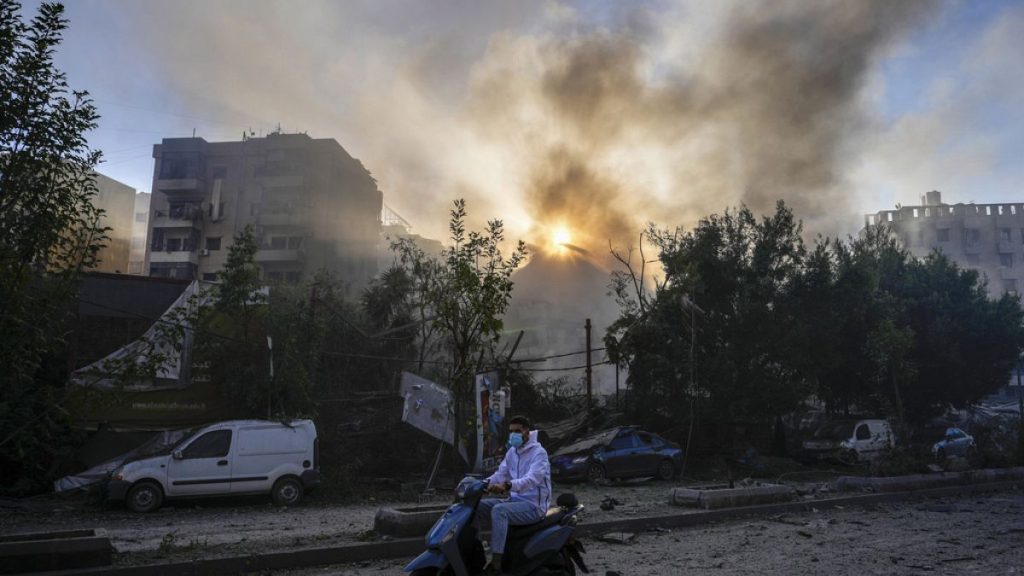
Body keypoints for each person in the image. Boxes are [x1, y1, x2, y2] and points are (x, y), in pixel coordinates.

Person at [477, 415, 551, 574]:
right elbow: (500, 474)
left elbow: (532, 480)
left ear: (527, 432)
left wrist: (508, 485)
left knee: (499, 511)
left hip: (534, 506)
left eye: (517, 431)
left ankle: (496, 561)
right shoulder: (512, 452)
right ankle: (476, 550)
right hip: (514, 502)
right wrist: (480, 484)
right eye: (511, 432)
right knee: (476, 507)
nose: (513, 435)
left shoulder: (539, 453)